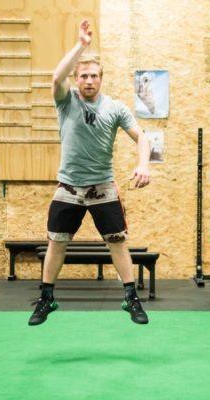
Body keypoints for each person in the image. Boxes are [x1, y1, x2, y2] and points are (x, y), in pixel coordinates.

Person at [29, 20, 151, 326]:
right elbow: (56, 76)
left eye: (94, 75)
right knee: (57, 241)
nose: (89, 80)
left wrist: (143, 164)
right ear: (76, 79)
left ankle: (131, 297)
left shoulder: (115, 108)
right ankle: (46, 298)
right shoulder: (66, 101)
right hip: (69, 186)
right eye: (83, 75)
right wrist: (81, 45)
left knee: (117, 240)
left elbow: (142, 137)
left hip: (102, 186)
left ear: (101, 79)